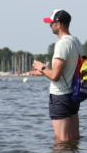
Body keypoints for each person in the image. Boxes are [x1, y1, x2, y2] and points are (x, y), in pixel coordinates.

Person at [32, 9, 84, 143]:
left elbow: (55, 76)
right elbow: (68, 70)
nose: (50, 26)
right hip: (74, 95)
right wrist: (44, 71)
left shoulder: (62, 44)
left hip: (61, 97)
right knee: (74, 140)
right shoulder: (76, 41)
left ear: (58, 24)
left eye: (51, 23)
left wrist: (41, 67)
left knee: (62, 143)